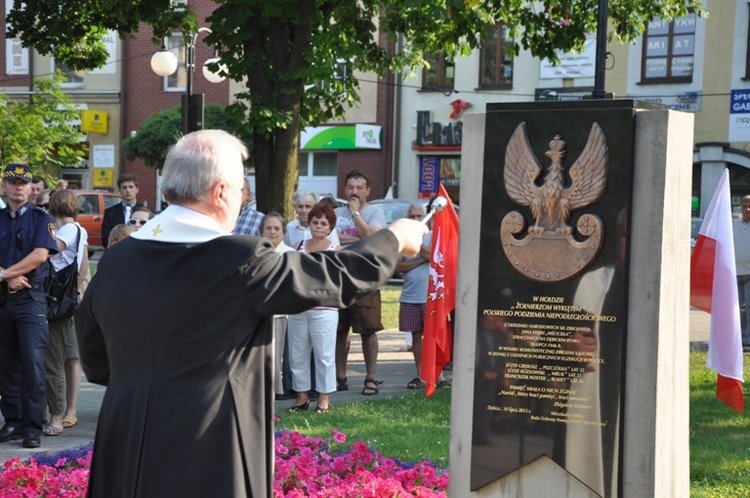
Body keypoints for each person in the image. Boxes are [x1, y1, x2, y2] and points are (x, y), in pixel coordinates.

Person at [74, 129, 426, 498]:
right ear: (222, 192)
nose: (243, 198)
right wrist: (395, 238)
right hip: (207, 444)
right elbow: (332, 277)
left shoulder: (116, 260)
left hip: (127, 440)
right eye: (242, 187)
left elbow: (96, 361)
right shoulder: (240, 259)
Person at [0, 163, 58, 449]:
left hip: (30, 298)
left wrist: (3, 274)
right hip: (3, 299)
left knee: (33, 365)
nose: (18, 187)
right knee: (6, 365)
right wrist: (7, 275)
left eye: (23, 182)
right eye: (12, 182)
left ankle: (32, 426)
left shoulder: (40, 217)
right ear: (4, 187)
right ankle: (13, 421)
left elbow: (39, 256)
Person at [334, 170, 386, 395]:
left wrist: (356, 215)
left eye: (359, 188)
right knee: (339, 330)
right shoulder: (334, 213)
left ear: (368, 191)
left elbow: (374, 239)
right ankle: (339, 377)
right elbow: (329, 238)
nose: (354, 192)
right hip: (338, 278)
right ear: (345, 190)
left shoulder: (376, 212)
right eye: (350, 187)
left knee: (368, 330)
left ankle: (371, 377)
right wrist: (361, 238)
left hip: (365, 279)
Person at [286, 202, 341, 414]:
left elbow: (339, 281)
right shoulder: (299, 245)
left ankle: (323, 399)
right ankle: (301, 397)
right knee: (297, 354)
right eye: (315, 222)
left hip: (324, 310)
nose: (318, 226)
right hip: (299, 308)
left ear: (330, 227)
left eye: (323, 223)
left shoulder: (335, 250)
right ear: (309, 224)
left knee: (324, 355)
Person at [42, 190, 88, 436]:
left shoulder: (67, 230)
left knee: (54, 361)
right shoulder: (80, 230)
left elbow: (49, 250)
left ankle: (56, 415)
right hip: (65, 299)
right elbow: (81, 268)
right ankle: (55, 411)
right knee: (60, 358)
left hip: (53, 299)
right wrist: (75, 292)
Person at [395, 204, 432, 389]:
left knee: (433, 337)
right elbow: (397, 266)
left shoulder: (433, 235)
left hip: (431, 297)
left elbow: (435, 257)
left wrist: (417, 247)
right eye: (412, 216)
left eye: (419, 215)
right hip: (410, 296)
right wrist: (420, 259)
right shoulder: (403, 239)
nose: (416, 218)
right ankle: (420, 375)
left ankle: (437, 376)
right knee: (416, 337)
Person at [259, 212, 295, 399]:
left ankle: (275, 390)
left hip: (280, 313)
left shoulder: (290, 254)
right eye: (268, 228)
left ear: (283, 232)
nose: (272, 232)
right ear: (262, 231)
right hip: (259, 312)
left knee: (276, 354)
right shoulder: (256, 254)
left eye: (276, 228)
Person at [101, 174, 142, 248]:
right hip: (116, 253)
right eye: (124, 187)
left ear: (137, 189)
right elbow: (105, 239)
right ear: (119, 191)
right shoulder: (110, 212)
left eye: (131, 187)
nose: (128, 190)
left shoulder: (145, 212)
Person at [733, 195, 750, 353]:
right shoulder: (733, 226)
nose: (748, 210)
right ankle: (740, 339)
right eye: (745, 206)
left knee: (749, 308)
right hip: (735, 274)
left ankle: (747, 340)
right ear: (741, 209)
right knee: (739, 308)